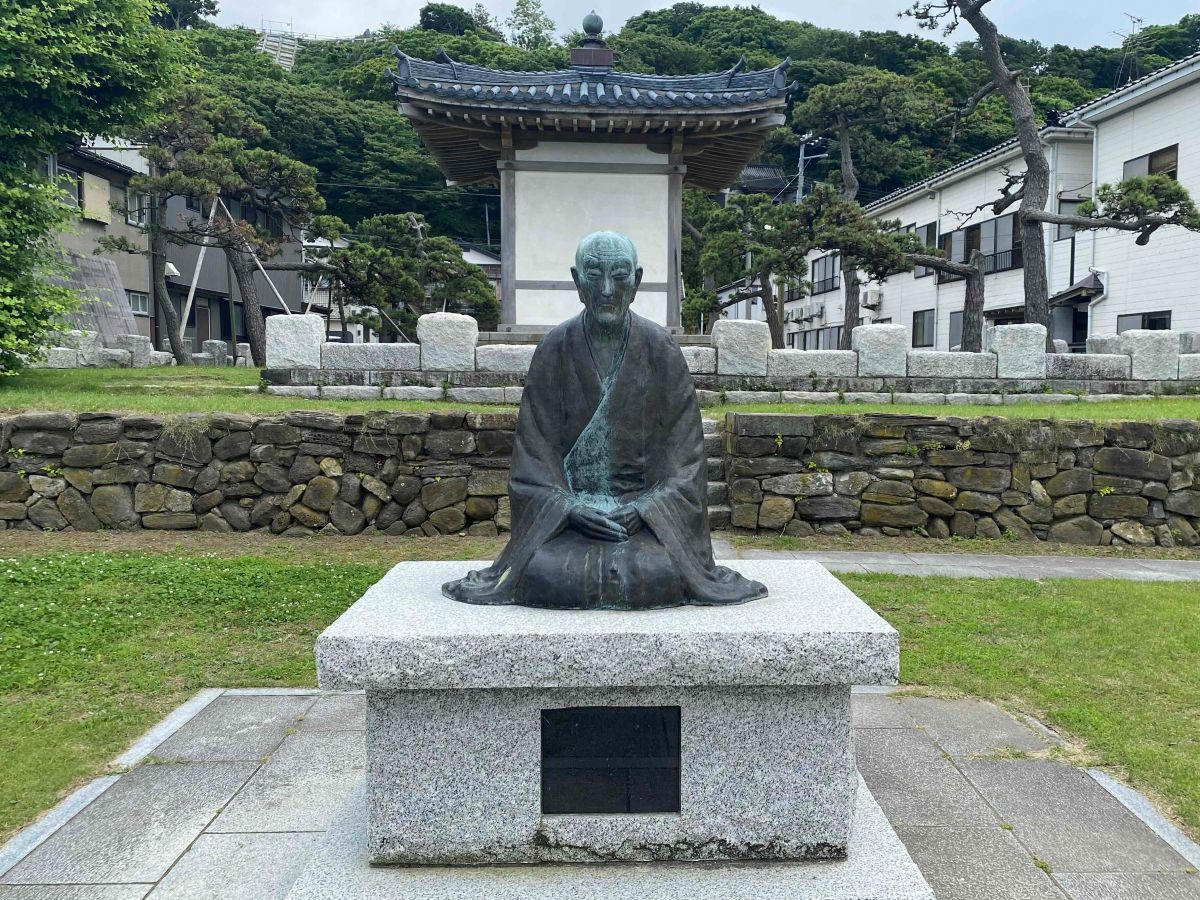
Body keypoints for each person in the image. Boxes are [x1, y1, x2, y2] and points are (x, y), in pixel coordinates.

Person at [443, 231, 766, 610]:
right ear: (577, 282)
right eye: (594, 275)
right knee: (546, 573)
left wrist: (643, 509)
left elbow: (687, 462)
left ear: (637, 281)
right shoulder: (554, 350)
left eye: (620, 275)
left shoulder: (661, 350)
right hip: (569, 517)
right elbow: (533, 461)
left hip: (644, 517)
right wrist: (572, 510)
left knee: (655, 574)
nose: (607, 289)